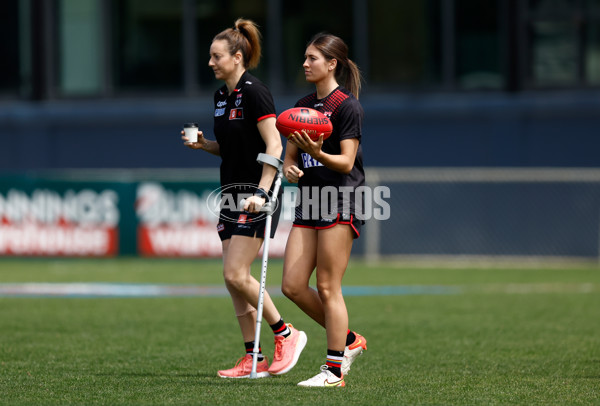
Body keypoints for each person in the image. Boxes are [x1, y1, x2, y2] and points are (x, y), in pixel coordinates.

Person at [182, 18, 306, 379]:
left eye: (216, 56)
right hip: (230, 193)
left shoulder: (255, 91)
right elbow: (234, 149)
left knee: (236, 273)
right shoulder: (221, 97)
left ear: (237, 57)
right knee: (232, 278)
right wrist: (205, 145)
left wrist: (262, 192)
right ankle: (253, 357)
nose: (210, 62)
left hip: (257, 192)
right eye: (210, 56)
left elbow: (274, 145)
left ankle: (287, 334)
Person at [281, 32, 368, 388]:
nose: (305, 63)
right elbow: (288, 160)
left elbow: (347, 163)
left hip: (341, 199)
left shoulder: (347, 106)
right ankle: (348, 340)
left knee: (328, 286)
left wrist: (317, 155)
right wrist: (289, 169)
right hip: (309, 200)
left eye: (313, 58)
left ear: (332, 64)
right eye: (304, 57)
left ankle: (334, 372)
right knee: (292, 285)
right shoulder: (301, 107)